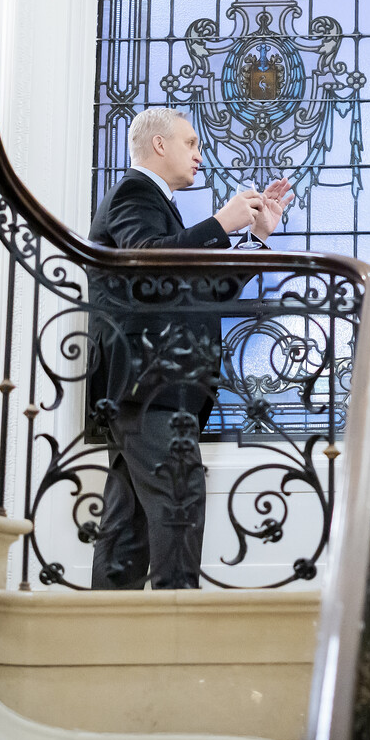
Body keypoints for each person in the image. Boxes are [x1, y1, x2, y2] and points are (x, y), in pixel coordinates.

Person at [86, 107, 291, 589]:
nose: (200, 156)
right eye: (192, 144)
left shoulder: (162, 208)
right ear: (160, 146)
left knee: (127, 529)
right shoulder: (134, 192)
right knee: (179, 499)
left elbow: (202, 291)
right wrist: (220, 222)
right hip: (150, 380)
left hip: (151, 384)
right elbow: (146, 262)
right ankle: (179, 632)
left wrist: (257, 240)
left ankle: (97, 634)